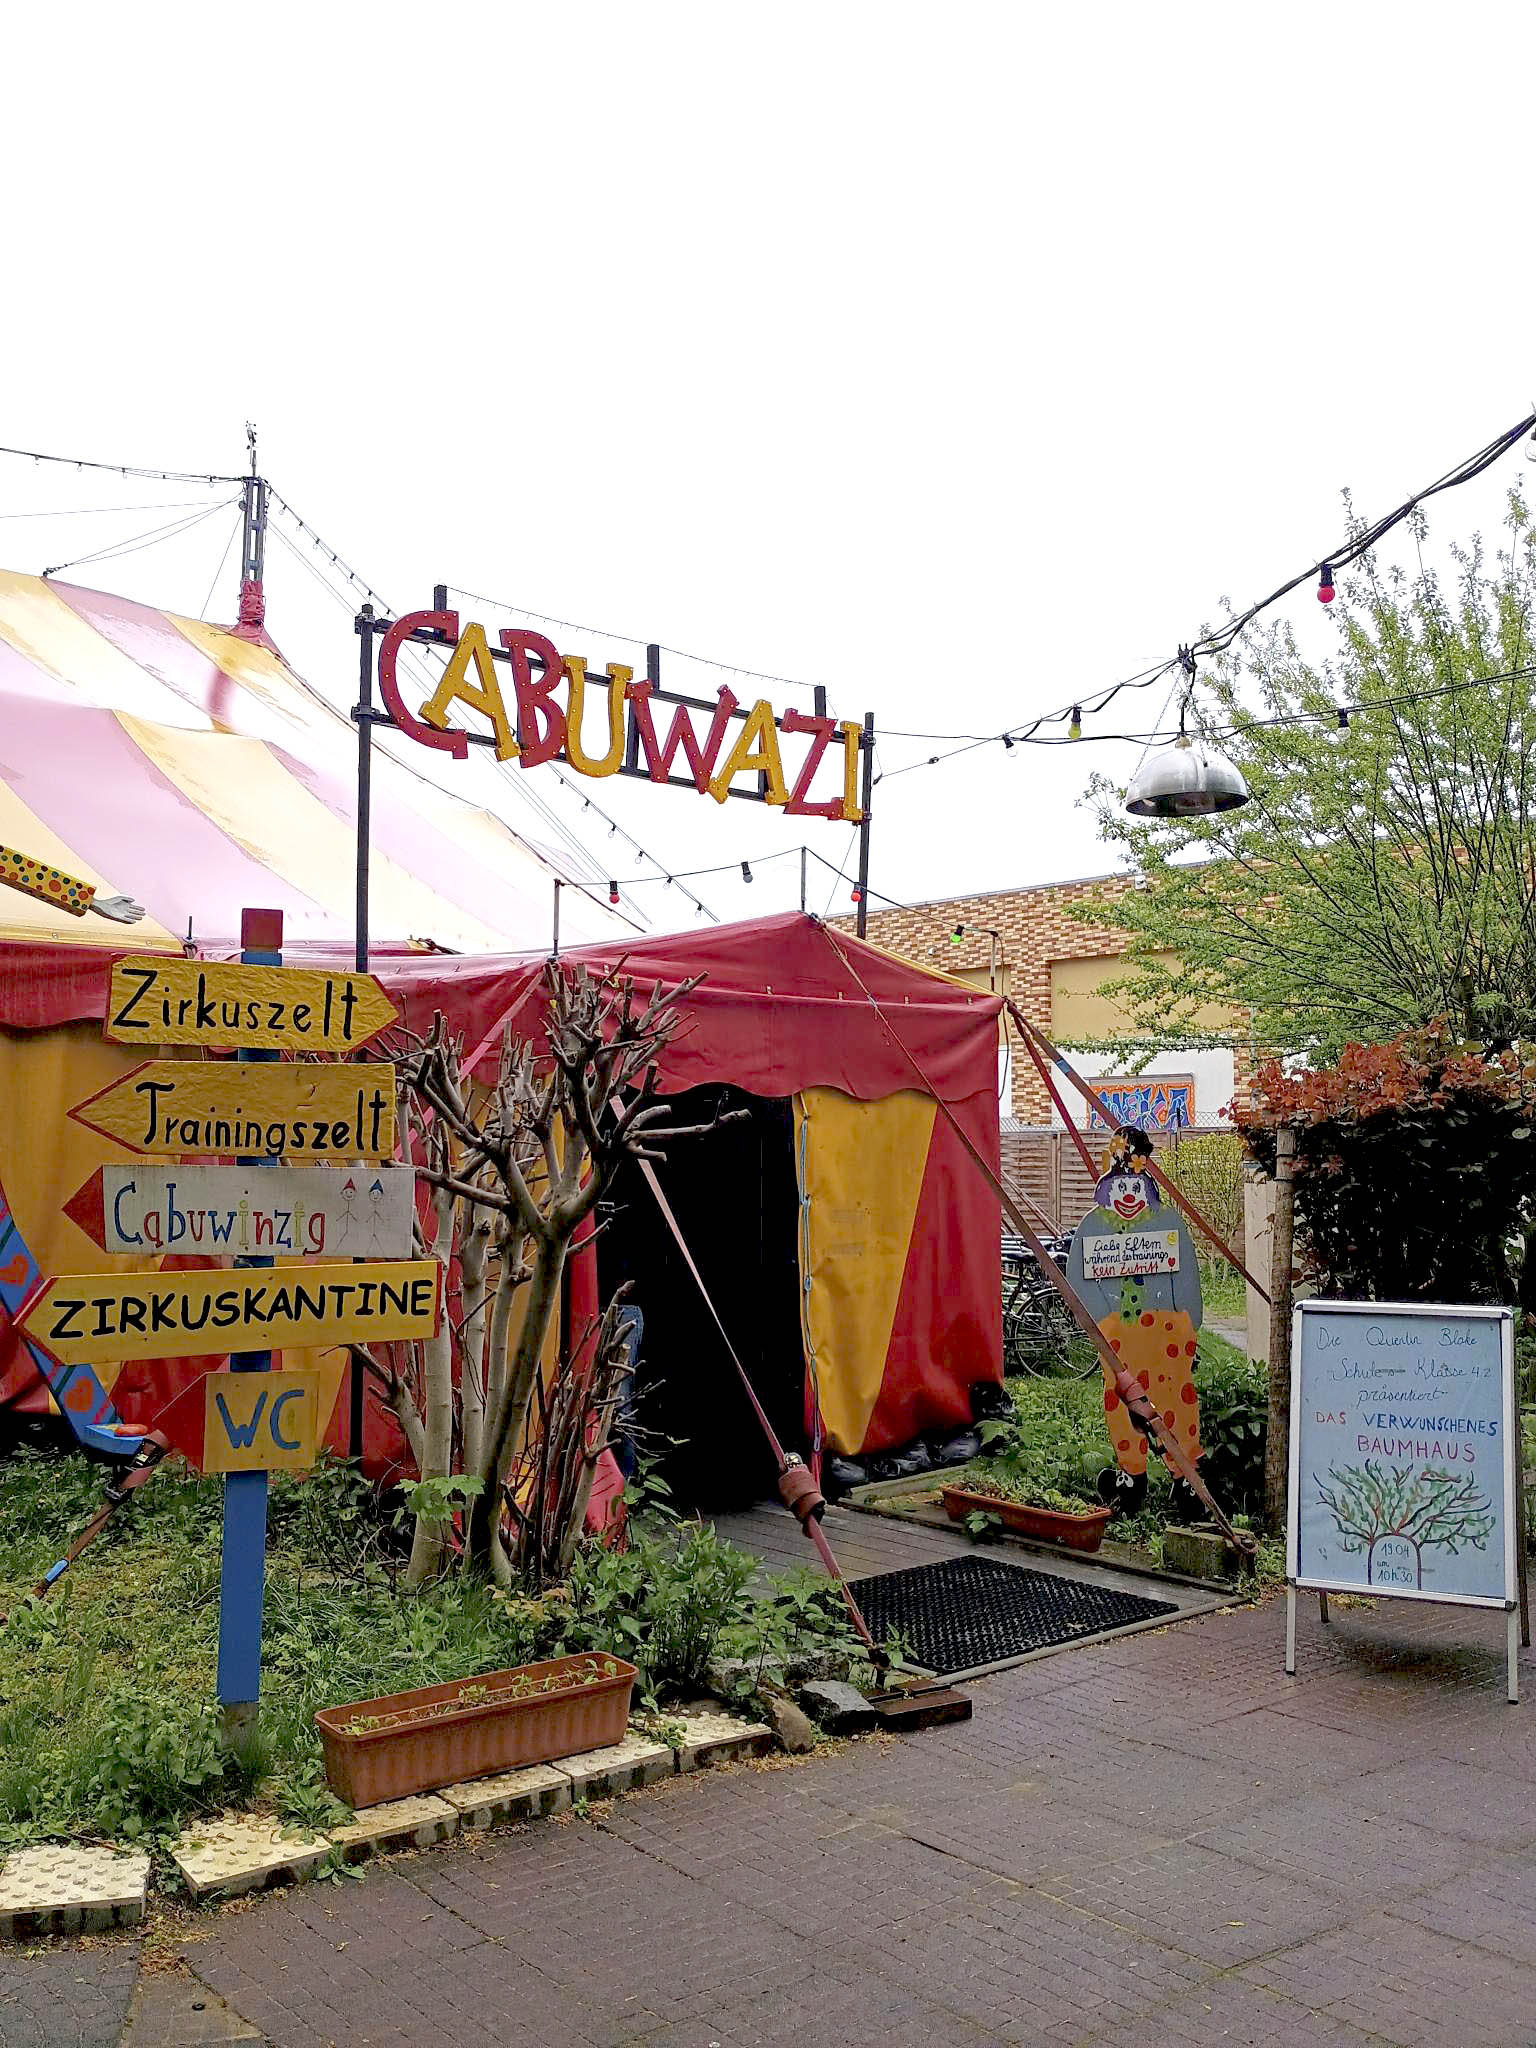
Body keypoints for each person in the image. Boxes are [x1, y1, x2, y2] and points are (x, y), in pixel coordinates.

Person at [1066, 1127, 1203, 1477]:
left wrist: (1189, 1321)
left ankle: (1184, 1470)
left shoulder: (1167, 1221)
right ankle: (1132, 1471)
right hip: (1118, 1333)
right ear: (1109, 1189)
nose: (1128, 1196)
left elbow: (1185, 1272)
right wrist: (1102, 1322)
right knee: (1123, 1399)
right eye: (1121, 1188)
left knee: (1175, 1395)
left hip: (1167, 1331)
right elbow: (1079, 1280)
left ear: (1147, 1187)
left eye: (1136, 1188)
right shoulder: (1093, 1225)